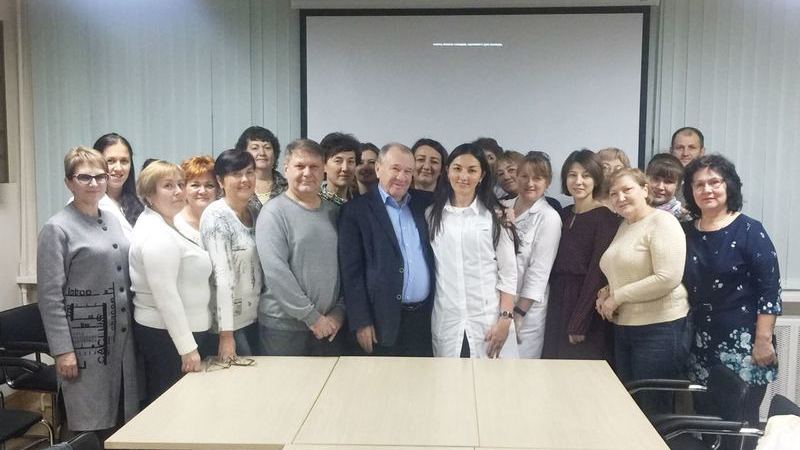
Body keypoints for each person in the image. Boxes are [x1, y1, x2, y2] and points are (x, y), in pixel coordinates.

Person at [37, 146, 139, 435]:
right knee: (89, 421)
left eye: (99, 176)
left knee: (121, 419)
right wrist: (63, 351)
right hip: (85, 343)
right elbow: (50, 297)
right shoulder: (57, 228)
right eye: (84, 177)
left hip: (121, 339)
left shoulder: (111, 220)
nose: (94, 183)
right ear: (69, 182)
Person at [681, 154, 782, 426]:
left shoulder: (750, 230)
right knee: (706, 420)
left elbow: (769, 291)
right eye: (699, 184)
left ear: (729, 186)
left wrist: (763, 340)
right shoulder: (685, 232)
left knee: (740, 423)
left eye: (714, 182)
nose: (707, 189)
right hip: (699, 342)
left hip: (746, 342)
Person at [597, 168, 689, 415]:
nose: (620, 197)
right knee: (630, 409)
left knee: (653, 411)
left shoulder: (662, 222)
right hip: (625, 327)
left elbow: (667, 277)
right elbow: (626, 271)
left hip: (659, 329)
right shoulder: (625, 226)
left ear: (645, 190)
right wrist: (606, 291)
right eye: (613, 193)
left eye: (627, 189)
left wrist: (617, 297)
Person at [339, 143, 435, 356]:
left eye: (408, 171)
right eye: (395, 169)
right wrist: (361, 321)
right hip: (380, 320)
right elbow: (351, 273)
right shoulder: (356, 211)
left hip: (424, 319)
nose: (402, 177)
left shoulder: (424, 203)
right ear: (378, 169)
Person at [129, 160, 211, 406]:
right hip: (167, 338)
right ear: (149, 195)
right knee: (173, 407)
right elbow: (166, 297)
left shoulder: (170, 222)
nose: (178, 191)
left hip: (177, 333)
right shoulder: (156, 235)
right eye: (168, 186)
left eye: (180, 184)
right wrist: (187, 349)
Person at [427, 143, 518, 358]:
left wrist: (505, 318)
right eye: (457, 168)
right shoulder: (432, 215)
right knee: (449, 378)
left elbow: (508, 272)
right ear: (447, 171)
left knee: (493, 377)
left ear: (482, 175)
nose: (463, 176)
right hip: (447, 321)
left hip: (488, 320)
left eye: (472, 170)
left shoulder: (496, 216)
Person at [256, 138, 345, 356]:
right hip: (283, 329)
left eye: (314, 167)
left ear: (323, 170)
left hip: (329, 326)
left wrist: (338, 313)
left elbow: (346, 266)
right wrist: (312, 318)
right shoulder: (273, 213)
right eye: (300, 166)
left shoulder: (334, 212)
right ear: (286, 168)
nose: (307, 173)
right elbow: (276, 272)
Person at [542, 149, 620, 362]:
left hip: (585, 301)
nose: (578, 181)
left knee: (579, 368)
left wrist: (579, 320)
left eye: (586, 175)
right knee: (551, 363)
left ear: (596, 179)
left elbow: (597, 273)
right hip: (556, 297)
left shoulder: (605, 218)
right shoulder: (564, 214)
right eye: (572, 175)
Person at [200, 149, 262, 359]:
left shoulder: (255, 210)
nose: (245, 179)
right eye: (236, 174)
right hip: (228, 326)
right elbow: (222, 278)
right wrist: (226, 336)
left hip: (255, 317)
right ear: (220, 181)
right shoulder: (216, 216)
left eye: (249, 172)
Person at [500, 151, 561, 358]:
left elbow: (539, 272)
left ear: (548, 182)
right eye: (524, 176)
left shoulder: (549, 217)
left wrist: (519, 313)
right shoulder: (501, 207)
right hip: (496, 304)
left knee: (521, 369)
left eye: (538, 178)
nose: (530, 183)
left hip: (526, 312)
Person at [92, 133, 144, 235]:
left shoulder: (140, 203)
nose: (118, 168)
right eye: (110, 161)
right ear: (95, 163)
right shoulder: (83, 203)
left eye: (124, 161)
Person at [235, 126, 288, 211]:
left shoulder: (288, 187)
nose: (262, 153)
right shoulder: (234, 186)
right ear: (243, 153)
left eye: (267, 148)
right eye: (255, 148)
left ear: (275, 154)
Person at [174, 156, 218, 244]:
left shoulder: (222, 221)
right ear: (183, 188)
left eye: (209, 185)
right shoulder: (174, 224)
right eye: (195, 185)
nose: (202, 191)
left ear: (218, 189)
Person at [645, 153, 692, 222]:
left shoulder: (683, 218)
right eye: (655, 179)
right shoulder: (634, 209)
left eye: (668, 182)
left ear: (678, 186)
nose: (660, 187)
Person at [319, 132, 360, 205]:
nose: (345, 168)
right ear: (324, 165)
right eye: (338, 161)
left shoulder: (361, 203)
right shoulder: (314, 201)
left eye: (350, 161)